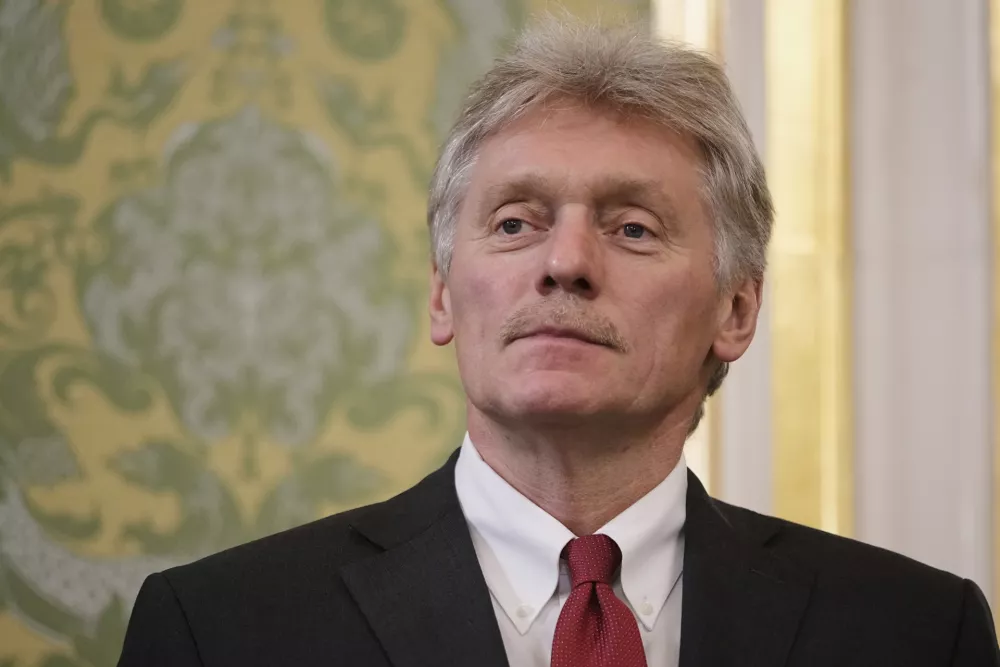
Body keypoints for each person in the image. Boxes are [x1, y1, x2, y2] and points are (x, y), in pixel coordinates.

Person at [117, 18, 999, 667]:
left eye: (633, 229)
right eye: (513, 222)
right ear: (441, 295)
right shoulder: (221, 628)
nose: (565, 262)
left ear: (736, 309)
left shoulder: (918, 631)